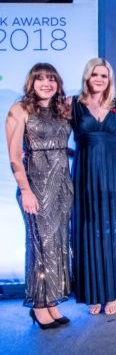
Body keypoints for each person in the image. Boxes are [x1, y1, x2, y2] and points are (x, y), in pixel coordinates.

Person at [5, 63, 73, 329]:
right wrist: (25, 190)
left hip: (62, 186)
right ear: (31, 83)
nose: (47, 83)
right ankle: (38, 306)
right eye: (41, 79)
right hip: (35, 185)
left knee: (57, 244)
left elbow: (59, 146)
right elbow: (13, 156)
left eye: (51, 79)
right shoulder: (19, 109)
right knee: (40, 246)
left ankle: (51, 302)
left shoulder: (61, 110)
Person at [69, 58, 116, 315]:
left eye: (104, 76)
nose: (99, 79)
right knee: (90, 230)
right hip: (85, 173)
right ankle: (94, 291)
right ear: (87, 77)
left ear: (110, 79)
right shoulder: (72, 104)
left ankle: (114, 291)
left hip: (114, 173)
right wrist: (81, 156)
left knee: (114, 231)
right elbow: (56, 138)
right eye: (95, 74)